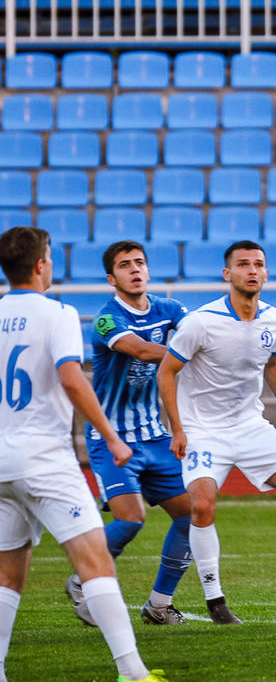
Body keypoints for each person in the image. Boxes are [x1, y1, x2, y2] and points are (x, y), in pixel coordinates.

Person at [0, 226, 167, 682]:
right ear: (39, 266)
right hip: (44, 460)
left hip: (1, 462)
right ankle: (133, 672)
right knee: (95, 561)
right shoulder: (57, 313)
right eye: (49, 257)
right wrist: (111, 437)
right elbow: (72, 379)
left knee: (7, 575)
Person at [156, 240, 276, 625]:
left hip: (249, 425)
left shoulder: (273, 318)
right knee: (203, 506)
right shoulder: (200, 322)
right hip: (203, 431)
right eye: (243, 265)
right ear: (228, 275)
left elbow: (271, 361)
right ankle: (216, 602)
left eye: (258, 264)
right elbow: (166, 371)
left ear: (266, 272)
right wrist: (178, 429)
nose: (252, 270)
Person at [64, 241, 192, 628]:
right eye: (125, 265)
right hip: (112, 438)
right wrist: (191, 350)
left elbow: (202, 331)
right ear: (112, 278)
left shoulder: (169, 309)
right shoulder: (106, 319)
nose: (134, 269)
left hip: (154, 435)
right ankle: (82, 580)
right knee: (132, 518)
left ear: (149, 271)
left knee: (193, 516)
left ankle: (158, 604)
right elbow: (140, 350)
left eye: (139, 263)